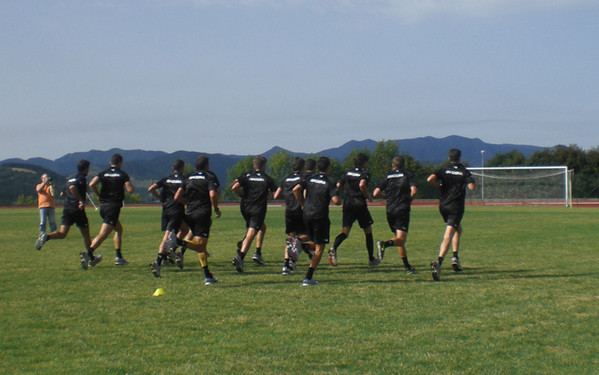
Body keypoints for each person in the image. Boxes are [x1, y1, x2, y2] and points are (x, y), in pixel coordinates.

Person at [167, 155, 220, 285]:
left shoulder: (188, 177)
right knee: (201, 246)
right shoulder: (209, 176)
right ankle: (177, 242)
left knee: (200, 244)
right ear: (207, 165)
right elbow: (213, 194)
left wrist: (187, 203)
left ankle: (207, 275)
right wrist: (216, 208)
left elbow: (177, 196)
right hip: (202, 213)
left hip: (189, 213)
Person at [427, 148, 475, 281]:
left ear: (449, 158)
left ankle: (455, 257)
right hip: (456, 207)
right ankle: (439, 262)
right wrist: (467, 184)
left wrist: (439, 187)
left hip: (443, 206)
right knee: (449, 234)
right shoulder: (464, 171)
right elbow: (471, 187)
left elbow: (430, 179)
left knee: (458, 230)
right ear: (460, 158)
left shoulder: (444, 170)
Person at [293, 156, 341, 286]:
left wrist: (302, 204)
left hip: (307, 214)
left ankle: (298, 242)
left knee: (311, 237)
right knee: (320, 247)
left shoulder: (309, 178)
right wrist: (340, 199)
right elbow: (336, 201)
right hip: (320, 216)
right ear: (328, 167)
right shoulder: (329, 181)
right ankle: (308, 278)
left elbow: (296, 189)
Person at [81, 153, 134, 270]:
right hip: (113, 207)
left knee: (119, 229)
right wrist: (127, 190)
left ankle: (119, 257)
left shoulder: (103, 173)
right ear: (120, 163)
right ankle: (89, 253)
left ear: (111, 162)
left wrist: (99, 194)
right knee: (103, 234)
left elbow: (91, 184)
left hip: (104, 206)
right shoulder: (122, 174)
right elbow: (130, 189)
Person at [329, 152, 379, 267]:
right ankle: (371, 259)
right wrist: (367, 197)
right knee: (368, 231)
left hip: (348, 204)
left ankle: (334, 248)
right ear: (364, 163)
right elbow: (362, 185)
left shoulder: (346, 173)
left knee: (345, 232)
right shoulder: (364, 173)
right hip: (360, 205)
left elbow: (338, 186)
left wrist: (344, 192)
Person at [35, 160, 92, 256]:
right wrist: (80, 200)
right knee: (86, 235)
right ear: (86, 169)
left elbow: (62, 194)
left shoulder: (70, 179)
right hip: (77, 210)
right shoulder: (82, 178)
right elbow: (72, 188)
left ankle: (47, 237)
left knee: (62, 234)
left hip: (67, 209)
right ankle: (90, 257)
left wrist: (68, 200)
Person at [231, 156, 277, 272]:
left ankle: (257, 252)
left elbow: (234, 187)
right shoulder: (267, 178)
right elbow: (274, 195)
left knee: (261, 227)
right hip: (258, 208)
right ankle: (240, 257)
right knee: (252, 232)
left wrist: (242, 195)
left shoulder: (247, 175)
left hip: (245, 207)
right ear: (263, 167)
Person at [373, 156, 418, 274]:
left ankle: (407, 267)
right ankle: (384, 244)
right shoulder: (407, 175)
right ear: (403, 165)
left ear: (393, 165)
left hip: (390, 210)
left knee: (398, 238)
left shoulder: (387, 176)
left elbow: (375, 192)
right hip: (401, 209)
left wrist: (385, 198)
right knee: (401, 240)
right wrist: (409, 201)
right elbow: (414, 190)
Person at [148, 159, 188, 276]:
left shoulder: (166, 179)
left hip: (166, 209)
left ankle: (171, 251)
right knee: (168, 236)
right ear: (182, 168)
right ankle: (159, 261)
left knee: (185, 229)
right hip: (176, 210)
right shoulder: (184, 180)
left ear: (172, 168)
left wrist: (161, 198)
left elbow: (151, 188)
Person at [273, 156, 312, 275]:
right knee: (309, 235)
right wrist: (302, 203)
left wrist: (287, 197)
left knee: (290, 238)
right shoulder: (305, 177)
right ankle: (300, 245)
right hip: (300, 210)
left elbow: (276, 196)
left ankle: (286, 264)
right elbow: (304, 192)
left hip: (289, 210)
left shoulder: (285, 179)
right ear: (303, 166)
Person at [36, 173, 57, 240]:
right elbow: (39, 189)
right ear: (42, 179)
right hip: (42, 206)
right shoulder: (39, 185)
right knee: (43, 222)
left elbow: (54, 193)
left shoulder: (50, 186)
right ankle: (42, 234)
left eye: (47, 177)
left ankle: (54, 234)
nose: (47, 178)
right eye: (45, 177)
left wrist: (52, 184)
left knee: (52, 221)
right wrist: (45, 182)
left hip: (51, 205)